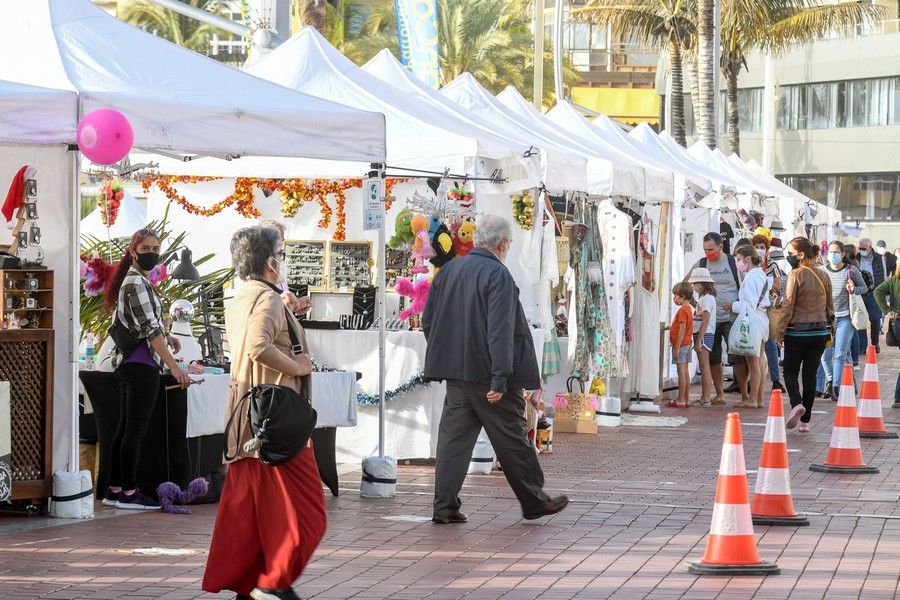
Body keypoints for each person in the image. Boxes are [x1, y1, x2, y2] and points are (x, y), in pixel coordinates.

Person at [203, 227, 324, 600]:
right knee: (308, 518)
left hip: (247, 420)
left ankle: (258, 586)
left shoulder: (243, 296)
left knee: (254, 518)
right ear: (271, 262)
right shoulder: (268, 299)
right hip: (275, 423)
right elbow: (258, 345)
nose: (284, 261)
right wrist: (298, 366)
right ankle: (270, 584)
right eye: (282, 254)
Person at [422, 215, 569, 523]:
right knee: (512, 437)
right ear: (502, 243)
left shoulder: (449, 270)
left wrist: (449, 353)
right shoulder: (497, 274)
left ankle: (444, 505)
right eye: (510, 243)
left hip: (458, 373)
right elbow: (500, 329)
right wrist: (500, 377)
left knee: (453, 440)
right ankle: (534, 500)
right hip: (489, 374)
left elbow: (429, 321)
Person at [102, 228, 191, 510]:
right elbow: (151, 332)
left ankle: (115, 489)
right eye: (145, 248)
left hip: (132, 362)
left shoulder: (135, 281)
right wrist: (175, 368)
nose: (151, 253)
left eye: (155, 248)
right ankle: (129, 492)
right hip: (141, 365)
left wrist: (169, 336)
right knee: (134, 431)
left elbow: (146, 324)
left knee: (125, 429)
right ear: (132, 251)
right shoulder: (136, 283)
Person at [776, 237, 834, 432]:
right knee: (810, 373)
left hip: (797, 332)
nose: (788, 257)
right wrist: (830, 329)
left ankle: (796, 404)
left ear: (801, 255)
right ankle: (805, 421)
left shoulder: (795, 274)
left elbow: (788, 305)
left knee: (790, 371)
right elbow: (830, 306)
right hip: (820, 330)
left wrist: (779, 332)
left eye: (790, 253)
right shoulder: (824, 275)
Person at [685, 232, 744, 405]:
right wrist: (697, 305)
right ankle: (719, 395)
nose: (707, 253)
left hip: (732, 317)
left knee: (738, 356)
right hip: (710, 322)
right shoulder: (702, 264)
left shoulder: (734, 262)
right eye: (705, 249)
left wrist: (737, 305)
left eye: (711, 249)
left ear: (721, 247)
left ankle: (745, 396)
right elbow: (686, 284)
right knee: (713, 358)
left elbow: (746, 287)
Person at [820, 241, 867, 400]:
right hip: (827, 320)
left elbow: (864, 287)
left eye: (836, 252)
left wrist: (854, 288)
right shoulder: (821, 272)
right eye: (830, 252)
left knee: (839, 353)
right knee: (825, 355)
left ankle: (836, 387)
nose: (832, 255)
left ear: (842, 254)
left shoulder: (851, 270)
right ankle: (840, 379)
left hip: (845, 318)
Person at [727, 245, 771, 409]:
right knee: (759, 361)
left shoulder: (752, 277)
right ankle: (758, 399)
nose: (738, 262)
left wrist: (732, 305)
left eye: (738, 259)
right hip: (761, 320)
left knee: (753, 362)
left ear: (747, 258)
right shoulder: (760, 275)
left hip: (753, 320)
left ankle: (754, 399)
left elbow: (749, 305)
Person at [259, 219, 312, 317]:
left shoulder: (279, 263)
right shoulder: (261, 266)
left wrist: (294, 308)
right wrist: (296, 303)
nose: (281, 245)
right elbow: (268, 305)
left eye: (282, 241)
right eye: (279, 240)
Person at [753, 234, 785, 392]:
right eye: (757, 247)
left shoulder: (773, 265)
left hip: (770, 308)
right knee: (753, 346)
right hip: (755, 309)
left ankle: (776, 380)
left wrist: (768, 287)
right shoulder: (751, 265)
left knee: (771, 345)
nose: (759, 250)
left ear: (767, 250)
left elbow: (778, 286)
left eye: (762, 247)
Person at [689, 270, 717, 406]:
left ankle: (706, 397)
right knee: (704, 365)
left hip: (704, 334)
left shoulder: (706, 298)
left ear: (702, 284)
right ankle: (705, 396)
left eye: (695, 283)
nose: (693, 286)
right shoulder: (705, 298)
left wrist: (699, 340)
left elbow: (705, 320)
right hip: (704, 334)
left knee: (704, 366)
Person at [873, 263, 900, 404]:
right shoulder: (894, 280)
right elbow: (877, 292)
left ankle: (898, 397)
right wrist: (887, 309)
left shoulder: (894, 280)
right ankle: (898, 397)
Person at [667, 282, 694, 408]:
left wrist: (676, 348)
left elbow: (682, 329)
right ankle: (686, 398)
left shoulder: (682, 310)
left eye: (676, 296)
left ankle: (681, 399)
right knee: (686, 372)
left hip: (682, 345)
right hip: (688, 343)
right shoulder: (688, 309)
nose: (674, 299)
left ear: (683, 297)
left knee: (681, 372)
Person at [857, 238, 887, 353]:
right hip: (860, 293)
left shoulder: (879, 258)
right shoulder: (857, 257)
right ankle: (862, 346)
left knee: (875, 319)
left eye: (863, 248)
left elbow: (883, 276)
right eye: (860, 248)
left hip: (874, 292)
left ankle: (875, 343)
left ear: (870, 247)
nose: (861, 250)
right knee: (861, 320)